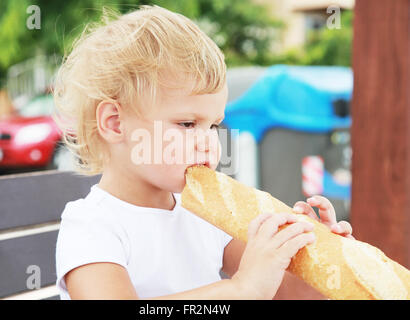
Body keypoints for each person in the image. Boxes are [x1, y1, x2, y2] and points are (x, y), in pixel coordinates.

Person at [53, 5, 354, 300]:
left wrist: (320, 263)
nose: (209, 142)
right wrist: (239, 290)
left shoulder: (205, 215)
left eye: (214, 125)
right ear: (116, 123)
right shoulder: (92, 226)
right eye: (187, 123)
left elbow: (281, 294)